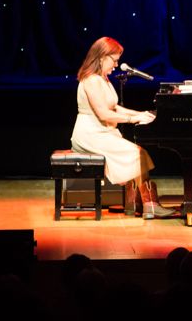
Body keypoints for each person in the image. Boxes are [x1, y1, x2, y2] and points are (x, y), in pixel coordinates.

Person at [70, 36, 176, 218]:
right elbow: (104, 113)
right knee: (136, 153)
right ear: (102, 56)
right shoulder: (91, 80)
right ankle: (149, 204)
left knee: (138, 153)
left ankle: (138, 203)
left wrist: (139, 114)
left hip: (102, 132)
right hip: (90, 134)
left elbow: (115, 107)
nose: (116, 65)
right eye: (115, 60)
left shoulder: (103, 79)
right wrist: (132, 119)